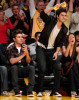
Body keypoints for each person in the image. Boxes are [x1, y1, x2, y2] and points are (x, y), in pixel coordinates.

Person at [36, 5, 68, 97]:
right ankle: (39, 91)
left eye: (65, 15)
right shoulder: (50, 20)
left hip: (51, 50)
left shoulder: (64, 29)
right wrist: (54, 7)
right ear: (57, 16)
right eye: (62, 15)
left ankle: (55, 91)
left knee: (58, 67)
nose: (64, 17)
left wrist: (57, 52)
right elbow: (42, 13)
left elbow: (60, 43)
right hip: (41, 47)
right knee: (42, 68)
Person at [6, 29, 35, 97]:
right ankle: (17, 91)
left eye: (22, 37)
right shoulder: (10, 48)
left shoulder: (25, 47)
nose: (21, 39)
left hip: (23, 69)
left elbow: (28, 61)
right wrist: (23, 55)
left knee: (31, 67)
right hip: (12, 70)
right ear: (14, 39)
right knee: (14, 67)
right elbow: (12, 61)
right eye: (19, 37)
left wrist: (27, 53)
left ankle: (30, 91)